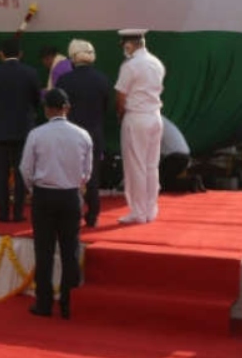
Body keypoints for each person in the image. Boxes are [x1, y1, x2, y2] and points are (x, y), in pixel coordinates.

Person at [20, 89, 91, 320]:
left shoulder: (37, 134)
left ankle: (44, 302)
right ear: (67, 108)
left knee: (44, 251)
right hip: (70, 195)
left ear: (47, 109)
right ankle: (69, 304)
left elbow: (25, 169)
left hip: (44, 194)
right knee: (70, 250)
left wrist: (33, 189)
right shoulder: (82, 135)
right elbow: (87, 172)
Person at [0, 38, 40, 223]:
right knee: (21, 173)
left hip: (0, 131)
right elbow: (37, 101)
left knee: (2, 174)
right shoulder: (31, 73)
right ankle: (19, 213)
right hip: (23, 131)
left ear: (1, 54)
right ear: (20, 54)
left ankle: (3, 213)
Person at [55, 39, 111, 226]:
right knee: (92, 175)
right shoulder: (102, 79)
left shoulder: (64, 80)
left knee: (69, 175)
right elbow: (105, 109)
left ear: (72, 58)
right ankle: (93, 214)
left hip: (70, 134)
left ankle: (72, 214)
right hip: (94, 133)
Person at [113, 28, 166, 224]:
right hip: (155, 116)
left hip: (136, 117)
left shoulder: (130, 65)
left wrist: (119, 114)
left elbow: (120, 96)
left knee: (135, 166)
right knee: (151, 166)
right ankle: (150, 210)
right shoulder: (156, 63)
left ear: (129, 44)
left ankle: (138, 212)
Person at [159, 116, 205, 193]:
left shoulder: (152, 121)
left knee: (158, 184)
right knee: (167, 183)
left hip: (174, 157)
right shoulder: (160, 120)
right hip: (183, 156)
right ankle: (190, 182)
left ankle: (192, 181)